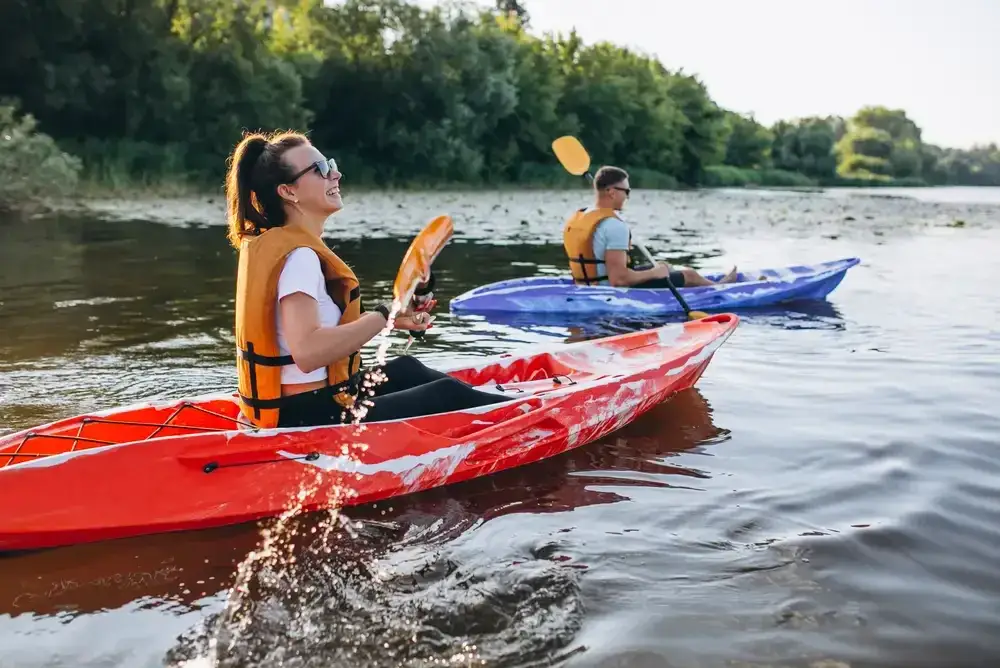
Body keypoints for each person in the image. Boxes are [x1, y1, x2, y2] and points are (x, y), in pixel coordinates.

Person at [225, 130, 508, 429]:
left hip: (312, 402)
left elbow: (307, 331)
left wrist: (395, 318)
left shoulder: (284, 248)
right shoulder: (300, 258)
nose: (336, 174)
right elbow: (307, 353)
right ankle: (527, 415)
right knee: (444, 394)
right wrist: (384, 314)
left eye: (330, 164)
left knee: (406, 369)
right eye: (321, 169)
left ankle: (504, 407)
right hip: (306, 414)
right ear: (288, 191)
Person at [562, 166, 738, 288]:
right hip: (608, 290)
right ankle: (719, 289)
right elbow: (619, 280)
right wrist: (655, 274)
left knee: (665, 267)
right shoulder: (614, 226)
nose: (628, 197)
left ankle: (692, 282)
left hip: (586, 285)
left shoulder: (580, 216)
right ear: (612, 192)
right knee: (689, 274)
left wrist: (658, 270)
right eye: (627, 191)